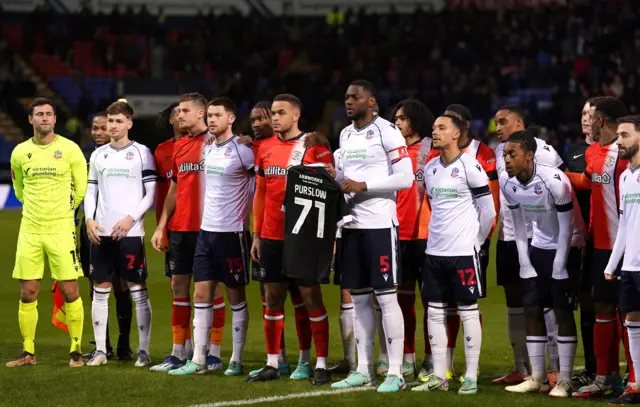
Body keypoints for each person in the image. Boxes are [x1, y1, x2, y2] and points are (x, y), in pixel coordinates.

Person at [330, 80, 413, 393]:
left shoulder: (387, 131)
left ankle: (395, 372)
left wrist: (364, 185)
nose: (349, 101)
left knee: (387, 298)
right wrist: (332, 175)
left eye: (355, 97)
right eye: (346, 97)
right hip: (351, 225)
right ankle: (364, 369)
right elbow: (344, 178)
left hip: (379, 224)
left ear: (371, 101)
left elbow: (405, 177)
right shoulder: (346, 133)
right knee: (360, 299)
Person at [247, 94, 333, 385]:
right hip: (270, 235)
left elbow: (329, 191)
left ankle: (317, 363)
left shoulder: (312, 146)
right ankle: (273, 362)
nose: (275, 117)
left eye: (281, 112)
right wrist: (257, 234)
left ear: (296, 115)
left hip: (303, 237)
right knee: (273, 299)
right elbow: (260, 192)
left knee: (310, 297)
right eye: (272, 112)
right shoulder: (266, 148)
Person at [412, 111, 495, 395]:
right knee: (434, 312)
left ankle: (470, 376)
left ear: (456, 134)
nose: (434, 132)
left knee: (467, 311)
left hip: (463, 253)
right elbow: (435, 208)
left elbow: (489, 211)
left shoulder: (471, 166)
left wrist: (477, 242)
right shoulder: (432, 168)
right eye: (434, 127)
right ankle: (439, 375)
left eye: (441, 128)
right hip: (434, 252)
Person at [170, 98, 252, 376]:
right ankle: (198, 359)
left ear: (231, 119)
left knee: (235, 296)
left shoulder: (243, 149)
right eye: (212, 115)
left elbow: (258, 183)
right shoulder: (207, 149)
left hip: (233, 233)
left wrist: (247, 214)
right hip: (207, 232)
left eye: (218, 115)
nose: (213, 120)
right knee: (201, 293)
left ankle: (236, 359)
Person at [7, 98, 87, 368]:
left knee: (69, 289)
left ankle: (76, 351)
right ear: (30, 119)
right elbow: (19, 190)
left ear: (55, 119)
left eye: (49, 114)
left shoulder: (70, 149)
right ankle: (27, 351)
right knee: (27, 292)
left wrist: (63, 212)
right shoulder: (19, 152)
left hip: (61, 229)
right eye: (39, 114)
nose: (44, 118)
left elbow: (81, 188)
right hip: (30, 229)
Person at [500, 128, 580, 397]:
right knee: (532, 308)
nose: (507, 159)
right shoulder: (507, 183)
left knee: (562, 311)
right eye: (505, 154)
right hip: (538, 247)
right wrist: (525, 261)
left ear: (530, 156)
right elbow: (519, 224)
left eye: (512, 154)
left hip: (566, 248)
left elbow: (567, 227)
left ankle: (565, 379)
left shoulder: (554, 181)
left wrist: (560, 264)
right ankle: (538, 377)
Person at [150, 93, 226, 373]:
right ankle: (177, 352)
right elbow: (174, 187)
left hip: (210, 228)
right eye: (177, 111)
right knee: (177, 288)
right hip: (180, 228)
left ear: (201, 114)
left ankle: (213, 354)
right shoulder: (180, 146)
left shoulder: (218, 142)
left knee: (212, 290)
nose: (178, 115)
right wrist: (161, 225)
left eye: (184, 111)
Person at [492, 105, 566, 386]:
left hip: (536, 238)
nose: (498, 128)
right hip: (509, 238)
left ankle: (554, 366)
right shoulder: (502, 152)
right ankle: (521, 367)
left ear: (519, 122)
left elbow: (560, 187)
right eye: (495, 123)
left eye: (503, 122)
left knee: (542, 303)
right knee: (515, 302)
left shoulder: (543, 151)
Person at [565, 97, 632, 398]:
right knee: (603, 309)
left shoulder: (628, 152)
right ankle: (606, 377)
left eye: (591, 117)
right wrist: (554, 174)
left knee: (632, 313)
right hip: (600, 246)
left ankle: (634, 378)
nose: (587, 121)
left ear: (601, 121)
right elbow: (588, 181)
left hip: (629, 245)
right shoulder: (593, 152)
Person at [84, 101, 156, 368]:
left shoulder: (142, 154)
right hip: (100, 233)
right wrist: (90, 219)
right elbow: (91, 191)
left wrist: (130, 218)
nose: (112, 126)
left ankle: (144, 350)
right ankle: (101, 350)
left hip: (130, 233)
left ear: (129, 124)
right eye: (110, 121)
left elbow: (151, 193)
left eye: (117, 121)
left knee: (137, 290)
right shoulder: (98, 155)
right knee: (100, 288)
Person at [81, 111, 133, 362]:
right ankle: (104, 345)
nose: (99, 132)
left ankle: (124, 344)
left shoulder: (127, 156)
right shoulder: (91, 157)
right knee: (96, 283)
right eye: (96, 128)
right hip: (91, 227)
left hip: (119, 228)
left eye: (104, 127)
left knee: (122, 284)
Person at [391, 98, 434, 379]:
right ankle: (408, 356)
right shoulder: (392, 151)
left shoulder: (432, 149)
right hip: (398, 233)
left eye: (402, 118)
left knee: (432, 302)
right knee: (403, 302)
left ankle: (432, 358)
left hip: (427, 236)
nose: (396, 122)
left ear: (415, 121)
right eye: (395, 117)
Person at [565, 97, 603, 387]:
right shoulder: (575, 152)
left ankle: (614, 369)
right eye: (582, 112)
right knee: (588, 305)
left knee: (615, 306)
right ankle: (593, 367)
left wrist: (563, 175)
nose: (585, 118)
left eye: (591, 113)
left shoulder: (613, 151)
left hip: (609, 237)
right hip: (583, 242)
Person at [605, 115, 640, 406]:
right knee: (632, 323)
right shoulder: (624, 177)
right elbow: (625, 225)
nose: (619, 142)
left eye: (625, 136)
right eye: (618, 136)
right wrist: (612, 264)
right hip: (630, 266)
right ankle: (637, 385)